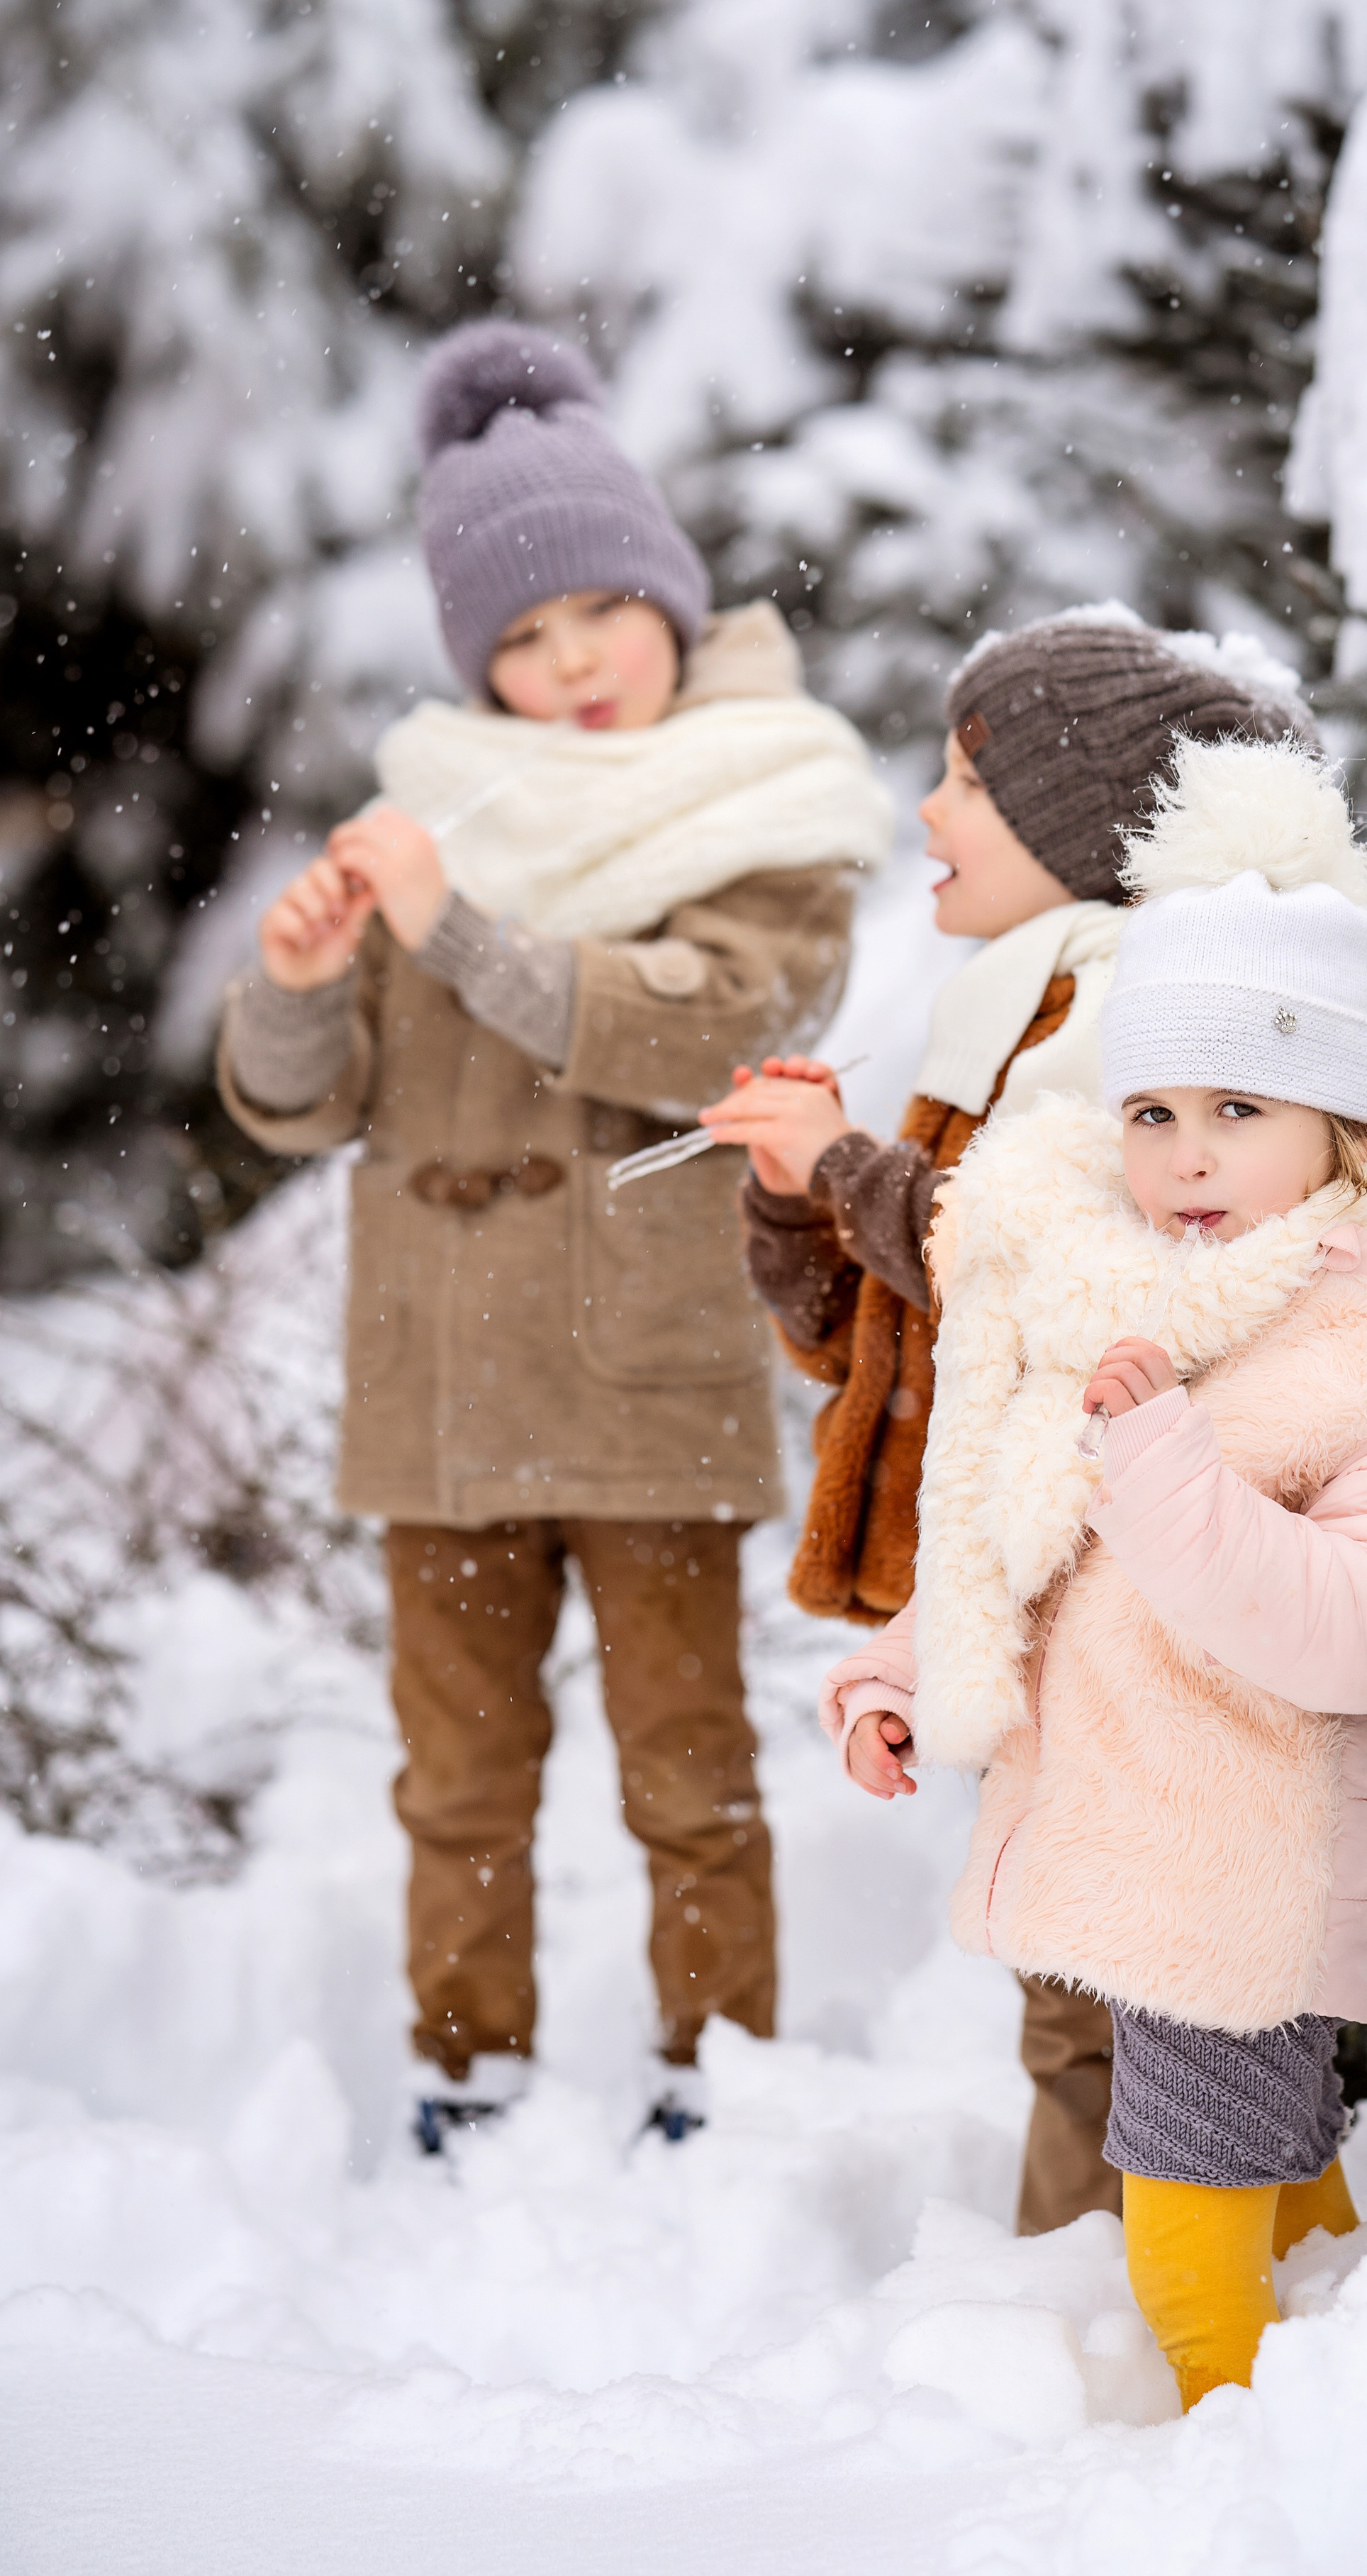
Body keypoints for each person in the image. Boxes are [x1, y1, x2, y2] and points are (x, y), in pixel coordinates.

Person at [819, 747, 1367, 2408]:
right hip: (1152, 1848)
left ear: (1341, 1127)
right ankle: (1350, 2399)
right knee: (1280, 2196)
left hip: (1246, 1875)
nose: (1187, 1156)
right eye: (1153, 1112)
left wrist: (1161, 1462)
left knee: (1182, 2253)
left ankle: (1243, 2466)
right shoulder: (1137, 1299)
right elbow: (1025, 1533)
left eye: (1240, 1110)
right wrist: (894, 1674)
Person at [216, 319, 892, 2147]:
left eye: (599, 607)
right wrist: (295, 983)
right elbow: (299, 1103)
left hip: (639, 1377)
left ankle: (716, 2076)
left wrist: (457, 928)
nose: (571, 660)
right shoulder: (437, 816)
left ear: (667, 596)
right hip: (436, 1391)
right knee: (456, 1777)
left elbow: (707, 1027)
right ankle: (469, 2069)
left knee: (686, 1767)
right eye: (520, 635)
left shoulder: (758, 807)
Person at [699, 607, 1320, 2235]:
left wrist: (849, 1171)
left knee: (1100, 1988)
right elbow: (883, 1341)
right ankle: (1136, 2277)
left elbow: (1052, 1286)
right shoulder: (1009, 1017)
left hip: (1106, 1581)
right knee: (1074, 1970)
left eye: (969, 780)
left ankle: (1112, 2305)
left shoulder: (1136, 1031)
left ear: (1080, 822)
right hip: (1025, 1574)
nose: (928, 810)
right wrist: (796, 1196)